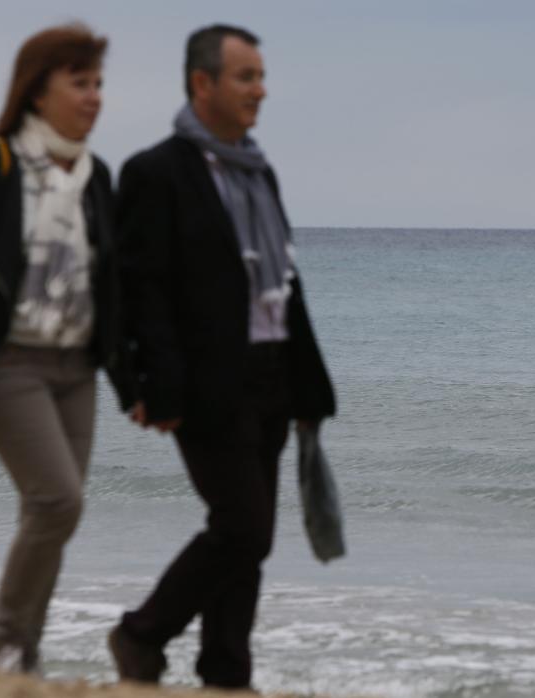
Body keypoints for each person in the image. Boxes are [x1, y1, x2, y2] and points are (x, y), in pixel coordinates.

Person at [106, 24, 336, 690]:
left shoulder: (259, 170)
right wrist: (141, 384)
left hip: (272, 372)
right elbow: (136, 289)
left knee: (247, 534)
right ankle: (141, 634)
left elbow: (283, 285)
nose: (260, 90)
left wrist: (309, 385)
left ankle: (225, 671)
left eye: (261, 76)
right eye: (246, 77)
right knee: (243, 528)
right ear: (202, 83)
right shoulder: (156, 171)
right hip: (207, 380)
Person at [0, 24, 132, 673]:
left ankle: (25, 656)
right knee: (58, 501)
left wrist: (136, 380)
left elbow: (114, 282)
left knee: (53, 513)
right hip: (8, 363)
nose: (95, 97)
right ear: (38, 89)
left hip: (77, 368)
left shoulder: (96, 174)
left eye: (99, 83)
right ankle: (3, 646)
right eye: (81, 83)